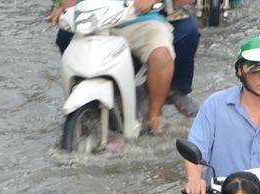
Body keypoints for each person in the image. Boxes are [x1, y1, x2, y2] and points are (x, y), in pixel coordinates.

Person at [50, 1, 199, 118]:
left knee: (161, 54)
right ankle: (83, 102)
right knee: (65, 37)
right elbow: (67, 4)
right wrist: (64, 8)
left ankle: (155, 114)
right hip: (93, 21)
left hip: (139, 18)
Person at [183, 36, 260, 194]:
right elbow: (196, 149)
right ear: (240, 71)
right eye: (255, 70)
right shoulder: (215, 105)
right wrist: (194, 179)